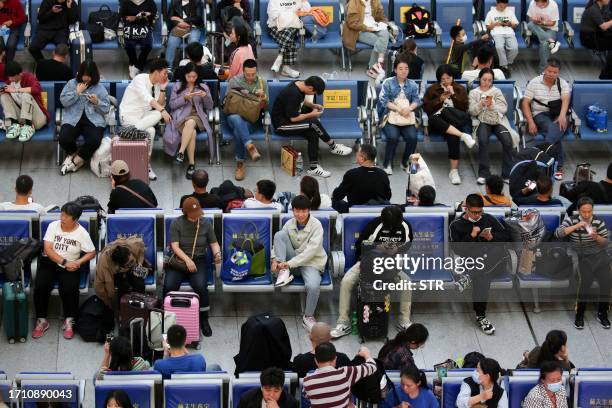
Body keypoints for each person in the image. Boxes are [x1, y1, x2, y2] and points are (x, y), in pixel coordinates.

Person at [331, 205, 413, 338]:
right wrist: (378, 247)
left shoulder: (404, 225)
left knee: (407, 283)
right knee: (346, 281)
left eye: (395, 225)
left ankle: (404, 321)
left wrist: (396, 250)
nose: (392, 228)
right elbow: (360, 245)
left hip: (391, 266)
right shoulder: (375, 225)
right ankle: (343, 322)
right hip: (367, 264)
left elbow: (408, 243)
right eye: (389, 226)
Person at [32, 201, 96, 340]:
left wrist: (78, 262)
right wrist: (64, 262)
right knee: (41, 287)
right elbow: (47, 249)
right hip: (51, 261)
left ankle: (69, 320)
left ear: (75, 219)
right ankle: (41, 320)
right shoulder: (53, 226)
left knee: (69, 288)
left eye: (66, 216)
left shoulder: (81, 233)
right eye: (62, 214)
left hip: (71, 263)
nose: (62, 217)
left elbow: (92, 252)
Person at [450, 194, 511, 334]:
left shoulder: (488, 218)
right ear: (466, 209)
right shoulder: (456, 225)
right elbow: (457, 249)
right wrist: (471, 236)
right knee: (483, 277)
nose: (478, 215)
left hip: (495, 262)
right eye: (474, 212)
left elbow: (506, 236)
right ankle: (481, 316)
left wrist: (492, 237)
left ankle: (469, 277)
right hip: (474, 262)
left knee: (497, 251)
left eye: (480, 211)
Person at [271, 76, 352, 178]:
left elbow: (300, 101)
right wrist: (312, 114)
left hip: (290, 122)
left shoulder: (299, 84)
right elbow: (293, 119)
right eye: (314, 93)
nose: (313, 95)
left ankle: (313, 168)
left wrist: (312, 105)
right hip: (282, 126)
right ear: (310, 88)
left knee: (313, 133)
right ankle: (333, 146)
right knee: (314, 123)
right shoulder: (293, 93)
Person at [164, 197, 221, 337]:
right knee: (169, 285)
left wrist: (217, 254)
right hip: (179, 260)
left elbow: (214, 243)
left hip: (199, 260)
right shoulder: (177, 224)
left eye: (198, 213)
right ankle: (165, 316)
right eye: (194, 213)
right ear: (186, 212)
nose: (197, 216)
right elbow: (175, 247)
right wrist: (187, 260)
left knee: (200, 286)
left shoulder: (205, 224)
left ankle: (204, 319)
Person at [271, 195, 327, 331]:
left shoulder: (317, 226)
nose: (300, 214)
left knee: (313, 285)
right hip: (292, 261)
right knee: (279, 235)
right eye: (297, 211)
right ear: (293, 210)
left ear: (309, 211)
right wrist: (275, 260)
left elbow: (310, 253)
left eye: (303, 211)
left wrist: (289, 264)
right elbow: (278, 243)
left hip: (311, 263)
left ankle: (308, 316)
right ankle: (282, 272)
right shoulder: (289, 224)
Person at [555, 196, 611, 329]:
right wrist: (577, 225)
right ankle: (579, 314)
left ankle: (602, 313)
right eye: (583, 212)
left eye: (589, 212)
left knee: (607, 281)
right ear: (578, 211)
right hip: (581, 256)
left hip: (598, 255)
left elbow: (606, 243)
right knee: (585, 282)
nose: (586, 215)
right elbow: (558, 233)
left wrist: (597, 237)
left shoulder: (598, 221)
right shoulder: (571, 220)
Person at [119, 58, 171, 181]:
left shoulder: (158, 85)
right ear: (157, 72)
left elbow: (159, 102)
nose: (166, 76)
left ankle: (146, 166)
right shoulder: (140, 79)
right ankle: (130, 130)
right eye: (164, 73)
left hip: (142, 118)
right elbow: (149, 99)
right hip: (128, 117)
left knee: (151, 131)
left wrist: (163, 88)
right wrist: (163, 111)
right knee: (159, 113)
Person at [422, 64, 475, 185]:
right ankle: (463, 136)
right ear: (439, 79)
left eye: (448, 78)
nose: (446, 81)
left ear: (452, 77)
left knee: (450, 125)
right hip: (440, 124)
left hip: (456, 120)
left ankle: (454, 170)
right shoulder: (432, 89)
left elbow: (465, 108)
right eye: (443, 79)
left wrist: (454, 95)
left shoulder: (460, 88)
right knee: (434, 119)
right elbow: (427, 108)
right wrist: (439, 100)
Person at [521, 57, 570, 180]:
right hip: (540, 114)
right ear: (545, 69)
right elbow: (525, 103)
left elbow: (565, 100)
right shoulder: (534, 82)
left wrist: (562, 115)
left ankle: (538, 156)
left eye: (555, 72)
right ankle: (558, 166)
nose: (552, 74)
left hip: (558, 113)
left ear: (558, 73)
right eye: (549, 71)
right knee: (554, 130)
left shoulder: (562, 83)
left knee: (556, 128)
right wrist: (531, 122)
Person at [58, 60, 111, 175]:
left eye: (89, 76)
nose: (86, 78)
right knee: (63, 138)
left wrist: (97, 102)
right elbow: (63, 101)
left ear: (94, 76)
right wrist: (76, 93)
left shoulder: (100, 88)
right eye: (84, 75)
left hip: (93, 119)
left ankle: (76, 161)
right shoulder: (72, 84)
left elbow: (106, 108)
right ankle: (75, 153)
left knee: (94, 140)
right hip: (73, 118)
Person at [164, 62, 214, 179]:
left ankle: (180, 152)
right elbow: (171, 105)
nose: (191, 79)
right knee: (192, 132)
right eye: (189, 76)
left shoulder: (204, 87)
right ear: (184, 75)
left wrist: (205, 97)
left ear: (198, 76)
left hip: (197, 116)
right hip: (181, 116)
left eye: (194, 77)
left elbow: (210, 106)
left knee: (191, 122)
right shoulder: (178, 86)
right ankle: (191, 165)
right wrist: (184, 98)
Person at [468, 68, 517, 185]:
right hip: (483, 121)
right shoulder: (474, 93)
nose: (487, 82)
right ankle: (483, 173)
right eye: (484, 79)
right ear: (480, 79)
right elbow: (471, 111)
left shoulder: (496, 91)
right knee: (483, 140)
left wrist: (492, 106)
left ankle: (507, 174)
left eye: (490, 80)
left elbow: (504, 108)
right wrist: (480, 104)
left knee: (507, 140)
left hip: (498, 120)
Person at [226, 59, 268, 181]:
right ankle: (249, 147)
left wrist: (263, 98)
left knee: (238, 132)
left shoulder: (262, 83)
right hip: (233, 116)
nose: (250, 77)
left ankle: (240, 163)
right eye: (247, 74)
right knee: (236, 118)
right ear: (243, 71)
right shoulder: (234, 81)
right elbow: (227, 101)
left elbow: (266, 107)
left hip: (252, 119)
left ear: (256, 72)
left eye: (253, 74)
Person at [378, 58, 420, 175]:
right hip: (391, 114)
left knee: (413, 138)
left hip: (407, 115)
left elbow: (417, 100)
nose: (404, 71)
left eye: (406, 68)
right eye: (400, 68)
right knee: (393, 137)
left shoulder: (413, 84)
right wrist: (399, 109)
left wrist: (409, 109)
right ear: (395, 70)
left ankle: (406, 163)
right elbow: (384, 100)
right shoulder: (388, 82)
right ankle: (387, 163)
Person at [303, 343, 377, 408]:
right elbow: (372, 366)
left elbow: (307, 396)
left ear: (316, 361)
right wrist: (366, 354)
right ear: (335, 359)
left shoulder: (307, 381)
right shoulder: (346, 373)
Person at [331, 144, 392, 213]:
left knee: (332, 201)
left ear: (362, 158)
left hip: (355, 211)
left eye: (357, 153)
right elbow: (388, 196)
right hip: (378, 211)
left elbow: (338, 196)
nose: (356, 155)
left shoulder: (352, 174)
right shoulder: (383, 174)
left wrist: (334, 193)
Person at [0, 61, 50, 142]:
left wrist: (16, 90)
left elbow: (37, 89)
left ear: (19, 74)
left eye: (12, 77)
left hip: (38, 119)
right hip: (21, 119)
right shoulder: (10, 81)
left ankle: (29, 126)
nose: (10, 79)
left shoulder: (28, 77)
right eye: (8, 77)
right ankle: (13, 125)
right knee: (3, 96)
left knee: (26, 95)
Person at [94, 235, 147, 308]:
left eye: (131, 260)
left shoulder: (132, 244)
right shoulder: (104, 263)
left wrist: (139, 263)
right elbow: (99, 286)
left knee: (139, 285)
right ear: (119, 265)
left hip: (133, 269)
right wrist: (108, 302)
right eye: (129, 263)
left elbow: (141, 249)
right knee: (124, 287)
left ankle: (140, 309)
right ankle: (123, 310)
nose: (131, 263)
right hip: (116, 273)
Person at [342, 0, 390, 76]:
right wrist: (367, 28)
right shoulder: (353, 2)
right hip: (358, 30)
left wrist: (385, 24)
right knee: (380, 41)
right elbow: (352, 22)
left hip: (374, 26)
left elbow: (381, 17)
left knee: (385, 33)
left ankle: (377, 65)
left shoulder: (375, 1)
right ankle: (375, 66)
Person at [266, 0, 309, 78]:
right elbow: (273, 15)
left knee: (289, 32)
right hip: (276, 27)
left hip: (293, 27)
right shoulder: (273, 1)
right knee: (289, 37)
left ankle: (280, 57)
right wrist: (291, 15)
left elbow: (307, 10)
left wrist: (303, 2)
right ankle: (285, 68)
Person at [120, 0, 157, 79]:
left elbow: (154, 15)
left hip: (144, 27)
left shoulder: (150, 2)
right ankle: (133, 63)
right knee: (129, 45)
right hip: (130, 28)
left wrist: (148, 14)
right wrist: (129, 18)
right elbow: (122, 16)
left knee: (147, 45)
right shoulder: (126, 2)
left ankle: (138, 66)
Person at [165, 0, 203, 71]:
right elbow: (170, 18)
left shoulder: (197, 2)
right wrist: (178, 23)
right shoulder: (174, 2)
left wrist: (183, 20)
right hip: (178, 27)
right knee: (171, 43)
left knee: (193, 42)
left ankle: (194, 67)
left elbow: (198, 18)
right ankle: (168, 69)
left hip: (193, 28)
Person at [526, 0, 562, 73]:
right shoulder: (533, 3)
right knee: (529, 24)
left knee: (545, 43)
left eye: (538, 4)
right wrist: (535, 20)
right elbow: (530, 19)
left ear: (545, 2)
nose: (537, 5)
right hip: (536, 28)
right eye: (536, 3)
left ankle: (542, 71)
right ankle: (551, 42)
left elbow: (553, 23)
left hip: (550, 29)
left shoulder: (553, 5)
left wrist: (543, 22)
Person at [485, 0, 519, 74]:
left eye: (505, 6)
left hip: (509, 33)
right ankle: (504, 66)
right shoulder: (491, 13)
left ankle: (507, 63)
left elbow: (515, 24)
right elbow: (488, 27)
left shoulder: (510, 12)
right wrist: (495, 24)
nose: (503, 8)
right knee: (499, 47)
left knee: (514, 48)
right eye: (501, 6)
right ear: (497, 4)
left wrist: (509, 24)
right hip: (497, 33)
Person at [580, 0, 612, 79]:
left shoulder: (599, 8)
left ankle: (607, 73)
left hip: (595, 36)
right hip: (589, 40)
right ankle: (606, 75)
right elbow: (603, 27)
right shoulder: (593, 9)